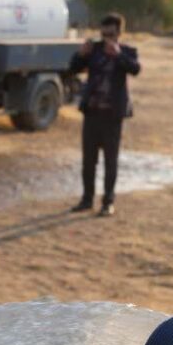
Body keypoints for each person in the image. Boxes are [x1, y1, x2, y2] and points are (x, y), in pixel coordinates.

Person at [69, 13, 140, 217]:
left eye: (110, 33)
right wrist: (81, 54)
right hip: (92, 113)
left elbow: (135, 69)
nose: (105, 37)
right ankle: (86, 199)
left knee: (111, 161)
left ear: (118, 32)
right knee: (88, 160)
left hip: (112, 116)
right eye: (103, 32)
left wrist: (118, 54)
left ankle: (108, 202)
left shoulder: (127, 51)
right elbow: (73, 68)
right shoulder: (94, 50)